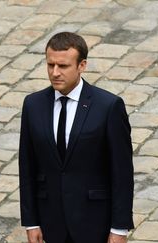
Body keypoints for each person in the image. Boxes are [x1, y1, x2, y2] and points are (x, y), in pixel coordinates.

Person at [18, 32, 134, 243]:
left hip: (94, 222)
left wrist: (119, 228)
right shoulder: (33, 105)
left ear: (82, 65)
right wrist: (31, 222)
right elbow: (27, 167)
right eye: (50, 64)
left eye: (63, 66)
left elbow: (122, 172)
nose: (55, 73)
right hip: (50, 222)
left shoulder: (108, 106)